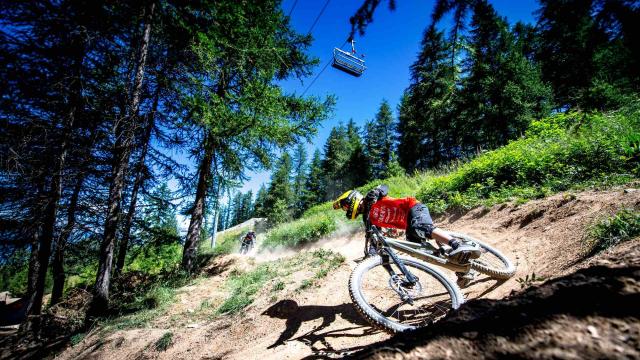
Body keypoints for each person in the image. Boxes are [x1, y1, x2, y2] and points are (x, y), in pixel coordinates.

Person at [333, 185, 481, 274]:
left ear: (352, 199)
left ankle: (456, 244)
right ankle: (459, 267)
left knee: (420, 227)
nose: (346, 210)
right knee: (418, 251)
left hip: (414, 208)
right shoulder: (368, 219)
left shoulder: (371, 196)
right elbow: (373, 237)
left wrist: (377, 192)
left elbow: (384, 187)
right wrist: (371, 253)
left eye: (345, 206)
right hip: (408, 227)